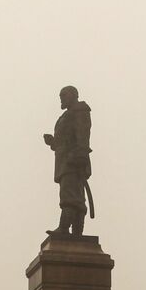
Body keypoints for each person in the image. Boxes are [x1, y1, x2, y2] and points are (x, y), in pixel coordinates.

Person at [43, 85, 92, 236]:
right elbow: (64, 140)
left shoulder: (79, 111)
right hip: (66, 161)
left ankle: (65, 228)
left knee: (70, 196)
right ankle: (77, 233)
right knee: (74, 195)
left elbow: (83, 135)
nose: (61, 99)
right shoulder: (66, 116)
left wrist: (79, 156)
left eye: (64, 96)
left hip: (73, 162)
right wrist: (53, 142)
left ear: (73, 95)